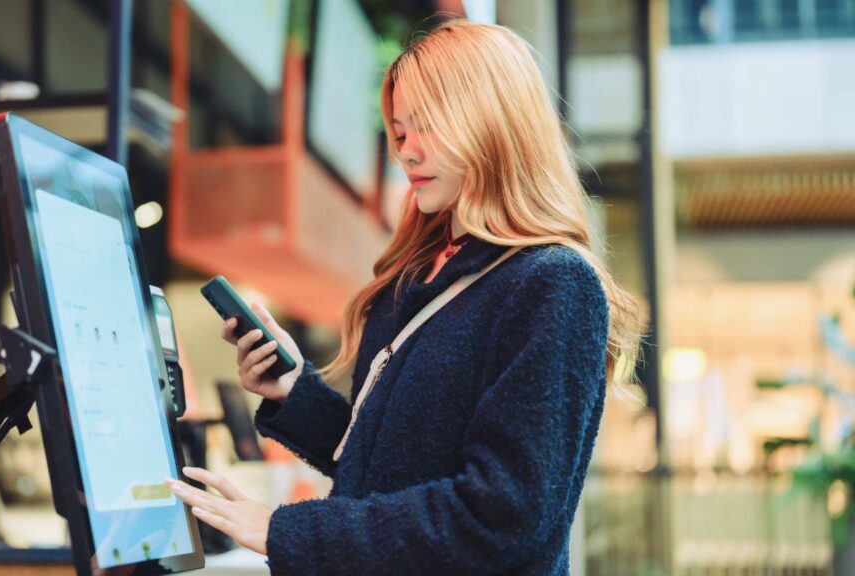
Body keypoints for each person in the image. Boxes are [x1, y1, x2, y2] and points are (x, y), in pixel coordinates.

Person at [166, 19, 645, 575]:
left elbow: (503, 517)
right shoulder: (414, 278)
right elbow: (388, 466)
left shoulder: (552, 283)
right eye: (399, 131)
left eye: (428, 127)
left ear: (492, 123)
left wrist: (285, 529)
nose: (407, 152)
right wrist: (294, 391)